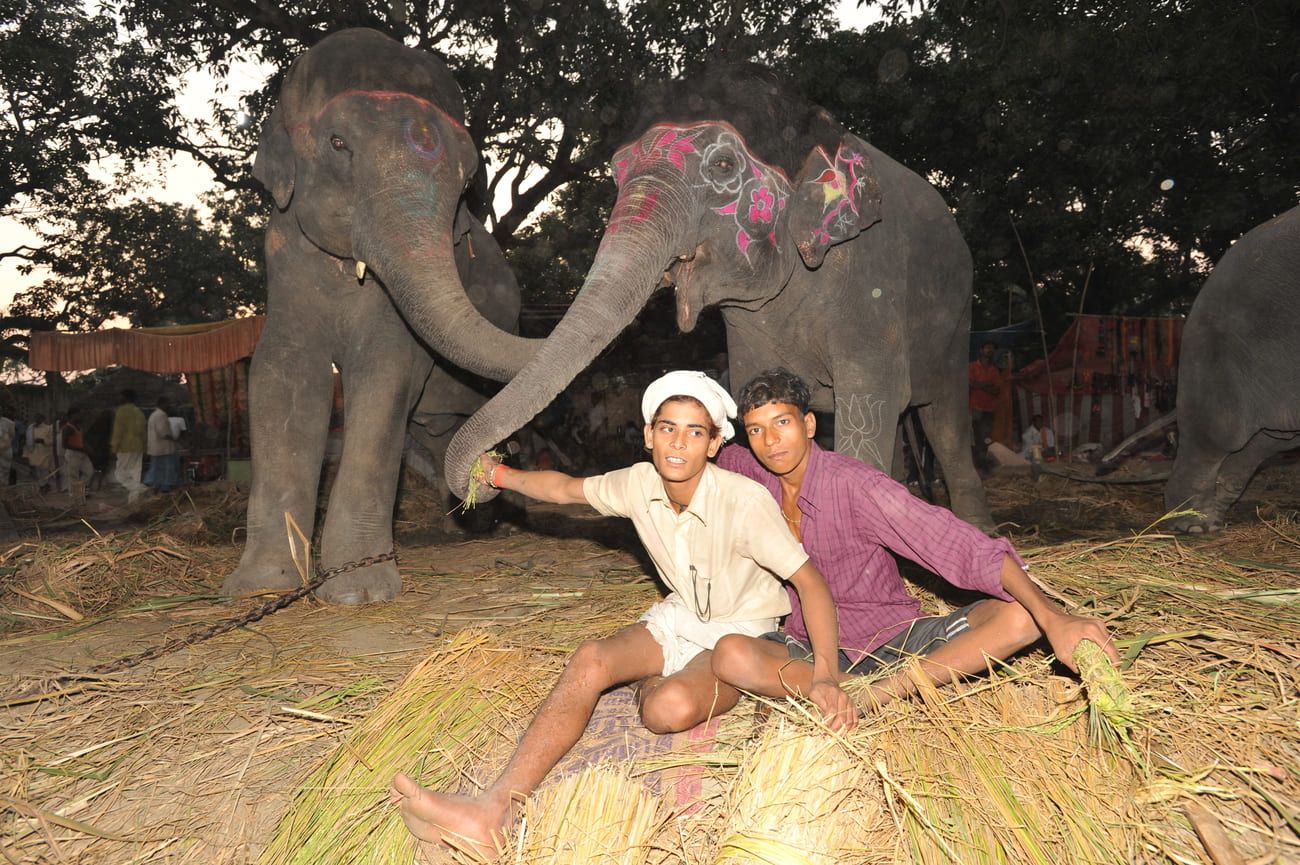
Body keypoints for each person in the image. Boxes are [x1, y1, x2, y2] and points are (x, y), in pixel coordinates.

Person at [390, 370, 854, 858]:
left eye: (696, 432)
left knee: (664, 710)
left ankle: (664, 682)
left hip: (742, 631)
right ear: (649, 435)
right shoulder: (638, 483)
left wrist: (826, 674)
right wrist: (497, 476)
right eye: (668, 428)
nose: (679, 443)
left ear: (715, 444)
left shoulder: (745, 501)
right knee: (591, 658)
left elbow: (810, 584)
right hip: (682, 617)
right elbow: (566, 489)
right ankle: (492, 811)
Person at [712, 368, 1119, 712]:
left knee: (1021, 619)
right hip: (811, 647)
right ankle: (840, 684)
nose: (771, 441)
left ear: (809, 424)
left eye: (782, 422)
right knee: (731, 656)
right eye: (756, 430)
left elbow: (961, 545)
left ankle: (883, 694)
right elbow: (705, 451)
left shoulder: (858, 487)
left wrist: (1055, 618)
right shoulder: (754, 472)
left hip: (894, 640)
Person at [968, 340, 1001, 471]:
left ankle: (982, 465)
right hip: (976, 408)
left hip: (989, 409)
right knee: (977, 437)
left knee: (986, 438)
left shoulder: (994, 370)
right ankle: (979, 466)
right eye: (987, 347)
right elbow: (970, 384)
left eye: (992, 348)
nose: (990, 350)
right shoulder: (972, 366)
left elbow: (997, 390)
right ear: (981, 350)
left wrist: (980, 385)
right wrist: (987, 385)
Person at [110, 390, 147, 503]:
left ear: (125, 398)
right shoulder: (139, 412)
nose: (118, 399)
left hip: (125, 448)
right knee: (135, 474)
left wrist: (114, 447)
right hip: (138, 447)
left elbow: (118, 432)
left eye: (120, 396)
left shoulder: (121, 411)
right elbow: (143, 432)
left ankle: (141, 489)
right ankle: (133, 501)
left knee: (119, 474)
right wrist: (145, 448)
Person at [144, 398, 181, 493]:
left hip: (156, 448)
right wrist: (174, 439)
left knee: (157, 469)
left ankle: (155, 486)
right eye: (168, 404)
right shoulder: (161, 415)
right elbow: (163, 433)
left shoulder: (154, 415)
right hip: (164, 449)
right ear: (163, 404)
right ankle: (163, 487)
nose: (169, 406)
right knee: (166, 469)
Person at [59, 408, 95, 493]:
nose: (80, 416)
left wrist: (87, 447)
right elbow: (64, 445)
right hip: (73, 454)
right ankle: (75, 495)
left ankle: (79, 491)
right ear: (72, 415)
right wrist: (81, 448)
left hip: (82, 453)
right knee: (73, 476)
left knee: (89, 472)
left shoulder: (78, 426)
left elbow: (81, 440)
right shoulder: (67, 428)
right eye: (78, 414)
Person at [26, 414, 55, 491]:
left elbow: (52, 441)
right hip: (34, 452)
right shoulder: (31, 428)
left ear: (43, 419)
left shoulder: (48, 428)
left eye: (39, 418)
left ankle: (44, 486)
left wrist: (43, 441)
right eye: (35, 417)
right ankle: (42, 485)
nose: (37, 419)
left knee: (44, 469)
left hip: (45, 452)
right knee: (37, 470)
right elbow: (28, 441)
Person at [0, 411, 14, 486]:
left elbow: (12, 436)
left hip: (5, 451)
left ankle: (4, 490)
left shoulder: (9, 423)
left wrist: (4, 444)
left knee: (5, 470)